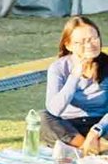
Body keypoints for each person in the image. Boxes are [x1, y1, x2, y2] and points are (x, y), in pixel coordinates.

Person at [42, 17, 108, 152]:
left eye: (94, 39)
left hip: (102, 125)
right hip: (70, 126)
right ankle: (89, 147)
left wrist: (97, 130)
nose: (90, 45)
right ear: (68, 45)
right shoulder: (58, 68)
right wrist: (74, 77)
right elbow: (54, 110)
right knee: (43, 117)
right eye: (82, 42)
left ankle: (85, 147)